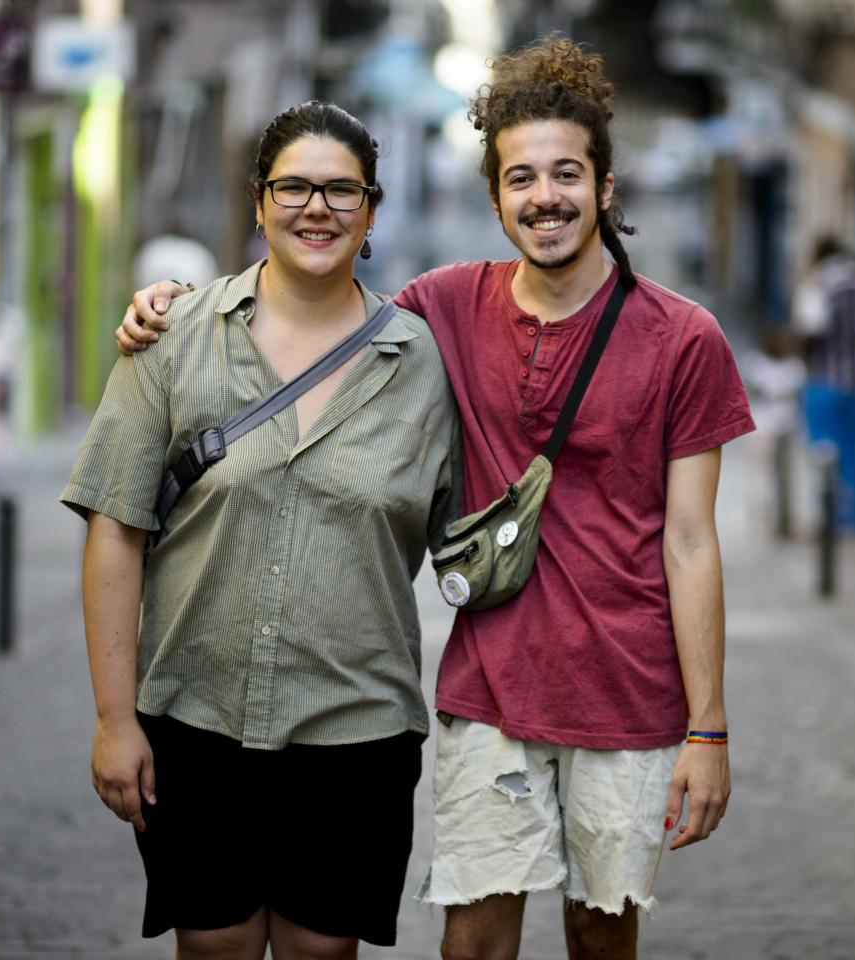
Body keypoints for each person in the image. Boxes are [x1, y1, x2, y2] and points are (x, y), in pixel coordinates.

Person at [119, 38, 753, 960]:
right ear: (495, 198)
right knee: (474, 945)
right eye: (521, 177)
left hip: (630, 693)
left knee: (601, 938)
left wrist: (709, 729)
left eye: (568, 174)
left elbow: (692, 543)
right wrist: (177, 300)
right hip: (488, 688)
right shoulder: (442, 309)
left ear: (606, 188)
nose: (546, 196)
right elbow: (314, 305)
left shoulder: (684, 339)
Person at [62, 101, 461, 959]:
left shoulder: (424, 364)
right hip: (197, 722)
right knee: (216, 947)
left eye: (341, 191)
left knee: (323, 953)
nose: (316, 208)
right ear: (258, 202)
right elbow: (114, 529)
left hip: (356, 731)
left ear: (373, 210)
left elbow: (471, 542)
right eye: (294, 187)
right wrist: (112, 719)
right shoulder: (173, 340)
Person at [791, 234, 855, 535]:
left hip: (824, 381)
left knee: (823, 451)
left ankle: (829, 516)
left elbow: (810, 329)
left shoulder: (818, 284)